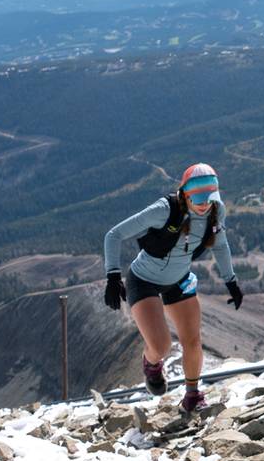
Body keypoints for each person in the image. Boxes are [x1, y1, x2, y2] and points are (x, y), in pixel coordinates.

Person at [102, 163, 245, 413]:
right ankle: (151, 363)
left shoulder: (215, 212)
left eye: (210, 197)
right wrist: (113, 276)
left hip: (179, 280)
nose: (204, 204)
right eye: (198, 198)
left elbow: (220, 246)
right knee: (161, 347)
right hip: (144, 280)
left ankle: (193, 396)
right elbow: (113, 235)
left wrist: (231, 281)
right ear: (185, 194)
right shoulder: (164, 210)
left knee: (192, 339)